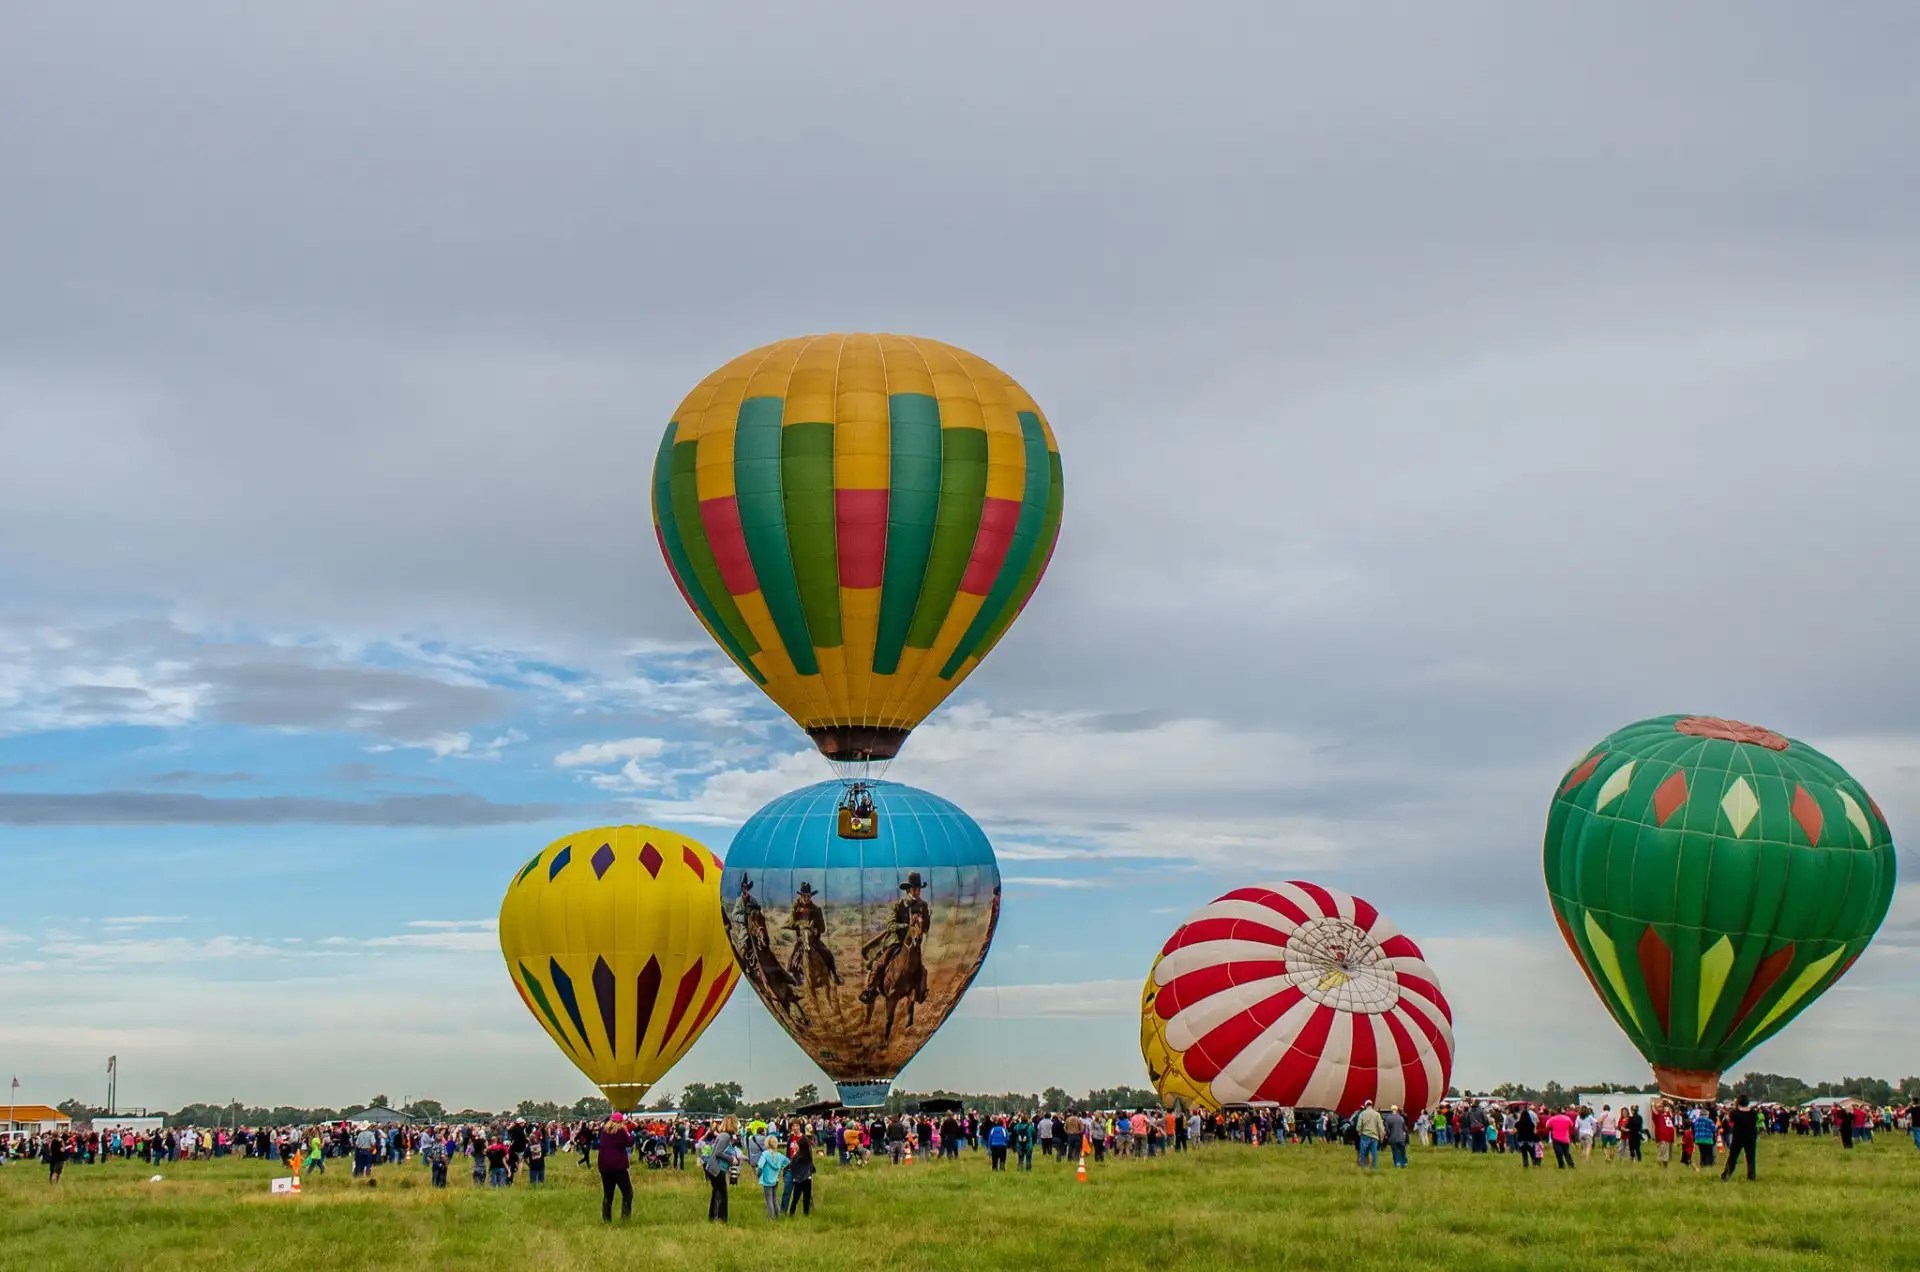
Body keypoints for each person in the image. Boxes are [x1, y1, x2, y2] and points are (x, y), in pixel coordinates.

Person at [597, 1115, 634, 1223]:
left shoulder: (604, 1131)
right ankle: (625, 1217)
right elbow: (630, 1142)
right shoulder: (621, 1131)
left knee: (608, 1194)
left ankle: (606, 1219)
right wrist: (628, 1131)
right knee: (628, 1192)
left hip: (604, 1165)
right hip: (618, 1165)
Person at [705, 1116, 740, 1223]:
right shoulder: (725, 1136)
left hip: (716, 1168)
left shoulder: (724, 1136)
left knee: (716, 1192)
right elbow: (718, 1153)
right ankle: (721, 1218)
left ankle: (713, 1217)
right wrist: (731, 1159)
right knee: (722, 1194)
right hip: (717, 1169)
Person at [1721, 1095, 1760, 1182]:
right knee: (1751, 1157)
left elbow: (1731, 1125)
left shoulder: (1734, 1113)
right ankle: (1751, 1176)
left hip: (1738, 1136)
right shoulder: (1753, 1113)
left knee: (1733, 1157)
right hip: (1751, 1136)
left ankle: (1726, 1175)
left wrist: (1727, 1118)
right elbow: (1755, 1121)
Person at [756, 1134, 789, 1219]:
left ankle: (771, 1218)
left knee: (769, 1200)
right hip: (775, 1180)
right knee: (774, 1199)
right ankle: (778, 1215)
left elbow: (760, 1166)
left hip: (767, 1181)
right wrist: (780, 1167)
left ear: (767, 1143)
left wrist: (758, 1174)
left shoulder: (765, 1154)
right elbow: (788, 1162)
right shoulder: (780, 1156)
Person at [784, 1137, 815, 1216]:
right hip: (807, 1179)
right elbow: (812, 1167)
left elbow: (791, 1166)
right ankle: (806, 1214)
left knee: (795, 1199)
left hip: (798, 1180)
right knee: (806, 1199)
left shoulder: (796, 1156)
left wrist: (785, 1170)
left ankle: (791, 1214)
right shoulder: (808, 1155)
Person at [1354, 1101, 1384, 1169]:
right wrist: (1381, 1135)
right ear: (1372, 1105)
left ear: (1365, 1106)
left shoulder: (1362, 1114)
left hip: (1365, 1135)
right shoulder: (1377, 1114)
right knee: (1374, 1153)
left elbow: (1358, 1126)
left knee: (1363, 1153)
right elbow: (1380, 1126)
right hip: (1374, 1136)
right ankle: (1374, 1167)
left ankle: (1362, 1166)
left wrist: (1359, 1132)